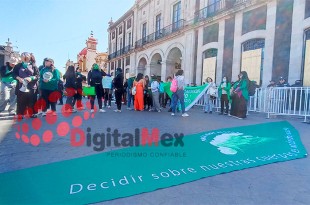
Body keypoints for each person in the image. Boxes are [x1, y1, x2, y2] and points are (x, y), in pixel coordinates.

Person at [13, 52, 39, 119]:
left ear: (30, 57)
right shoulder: (18, 66)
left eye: (26, 56)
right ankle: (20, 114)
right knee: (21, 100)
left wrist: (31, 78)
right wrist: (18, 78)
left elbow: (38, 76)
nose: (24, 57)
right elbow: (14, 74)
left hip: (32, 86)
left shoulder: (34, 66)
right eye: (22, 56)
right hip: (21, 85)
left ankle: (33, 113)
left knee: (32, 100)